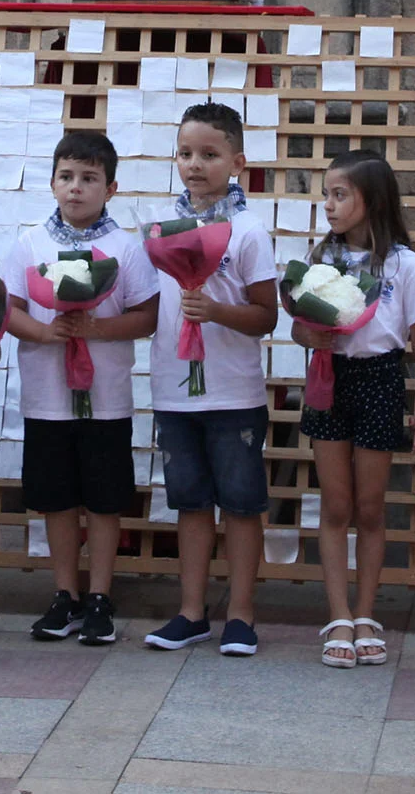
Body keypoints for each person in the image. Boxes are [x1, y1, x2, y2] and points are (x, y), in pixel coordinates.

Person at [0, 131, 161, 645]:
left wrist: (95, 328)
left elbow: (148, 315)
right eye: (66, 177)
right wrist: (48, 332)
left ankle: (100, 597)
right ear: (51, 182)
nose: (76, 188)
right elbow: (8, 309)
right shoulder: (29, 243)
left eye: (89, 179)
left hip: (106, 399)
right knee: (58, 500)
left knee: (105, 500)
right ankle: (64, 594)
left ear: (111, 187)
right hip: (47, 397)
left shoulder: (125, 248)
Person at [140, 102, 278, 657]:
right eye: (185, 153)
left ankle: (241, 614)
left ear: (237, 162)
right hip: (174, 388)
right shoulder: (159, 228)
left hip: (234, 390)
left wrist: (217, 311)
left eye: (209, 154)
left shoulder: (246, 230)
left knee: (242, 505)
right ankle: (191, 612)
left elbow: (266, 316)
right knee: (191, 504)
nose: (195, 164)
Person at [294, 150, 415, 668]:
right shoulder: (320, 258)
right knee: (335, 506)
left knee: (371, 507)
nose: (328, 205)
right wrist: (309, 330)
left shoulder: (405, 263)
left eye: (340, 195)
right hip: (330, 377)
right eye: (326, 194)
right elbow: (298, 327)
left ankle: (365, 613)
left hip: (381, 378)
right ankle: (337, 616)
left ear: (372, 200)